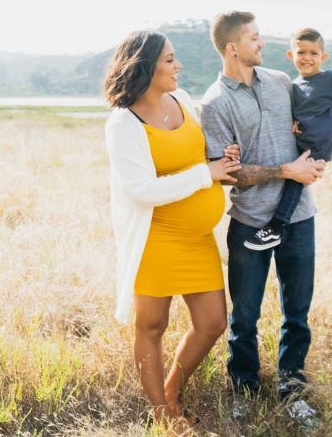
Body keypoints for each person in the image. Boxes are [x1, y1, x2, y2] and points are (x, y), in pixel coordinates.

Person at [103, 30, 241, 429]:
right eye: (169, 60)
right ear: (145, 67)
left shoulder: (181, 101)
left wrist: (220, 161)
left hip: (196, 239)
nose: (178, 66)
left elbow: (197, 158)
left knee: (213, 322)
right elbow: (142, 190)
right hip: (156, 238)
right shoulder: (124, 123)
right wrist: (206, 174)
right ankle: (162, 412)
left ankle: (171, 388)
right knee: (152, 325)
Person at [199, 11, 326, 428]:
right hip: (250, 221)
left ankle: (292, 388)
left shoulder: (280, 82)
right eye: (255, 38)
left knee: (297, 312)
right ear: (233, 47)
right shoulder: (215, 103)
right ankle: (245, 392)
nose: (262, 43)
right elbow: (227, 174)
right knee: (244, 317)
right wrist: (284, 171)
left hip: (299, 218)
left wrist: (311, 147)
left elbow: (310, 123)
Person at [244, 27, 332, 251]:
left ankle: (276, 227)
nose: (307, 58)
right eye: (301, 53)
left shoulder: (331, 79)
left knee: (295, 182)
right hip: (300, 142)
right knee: (289, 174)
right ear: (291, 55)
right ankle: (273, 224)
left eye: (313, 53)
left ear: (323, 57)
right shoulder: (294, 85)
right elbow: (300, 111)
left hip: (317, 145)